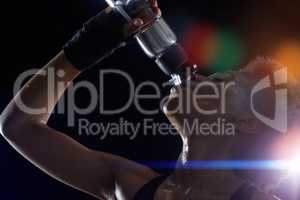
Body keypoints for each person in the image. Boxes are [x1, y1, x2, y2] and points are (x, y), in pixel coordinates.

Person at [1, 0, 299, 199]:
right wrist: (92, 41)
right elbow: (19, 126)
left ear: (247, 121)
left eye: (221, 80)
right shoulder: (132, 184)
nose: (198, 77)